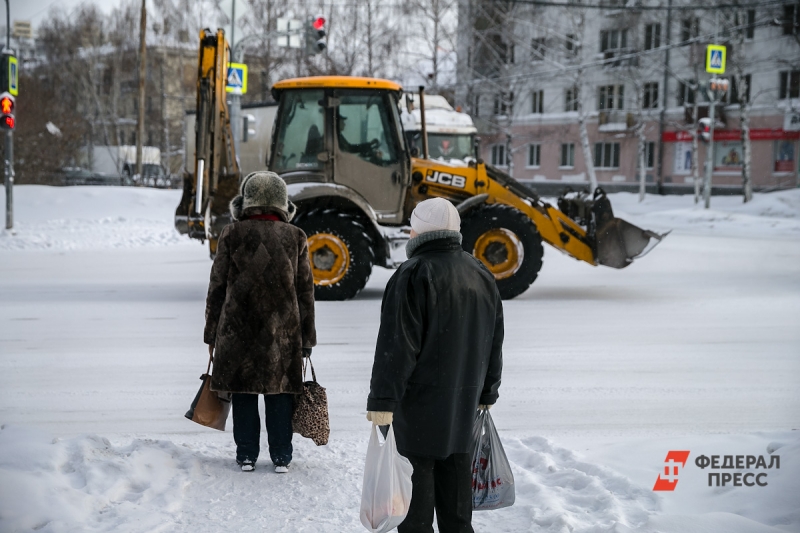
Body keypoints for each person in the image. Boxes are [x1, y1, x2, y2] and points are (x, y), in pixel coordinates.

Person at [366, 198, 504, 533]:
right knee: (457, 514)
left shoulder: (413, 273)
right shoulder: (480, 272)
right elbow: (493, 339)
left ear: (421, 230)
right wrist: (487, 390)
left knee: (415, 517)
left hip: (418, 414)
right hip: (462, 410)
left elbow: (397, 347)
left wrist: (383, 403)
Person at [204, 171, 316, 473]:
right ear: (282, 202)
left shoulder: (232, 233)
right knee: (280, 392)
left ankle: (246, 455)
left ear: (247, 201)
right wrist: (307, 338)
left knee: (243, 391)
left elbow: (217, 287)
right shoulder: (295, 236)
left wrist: (211, 334)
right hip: (283, 330)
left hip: (237, 329)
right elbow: (305, 291)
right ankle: (281, 456)